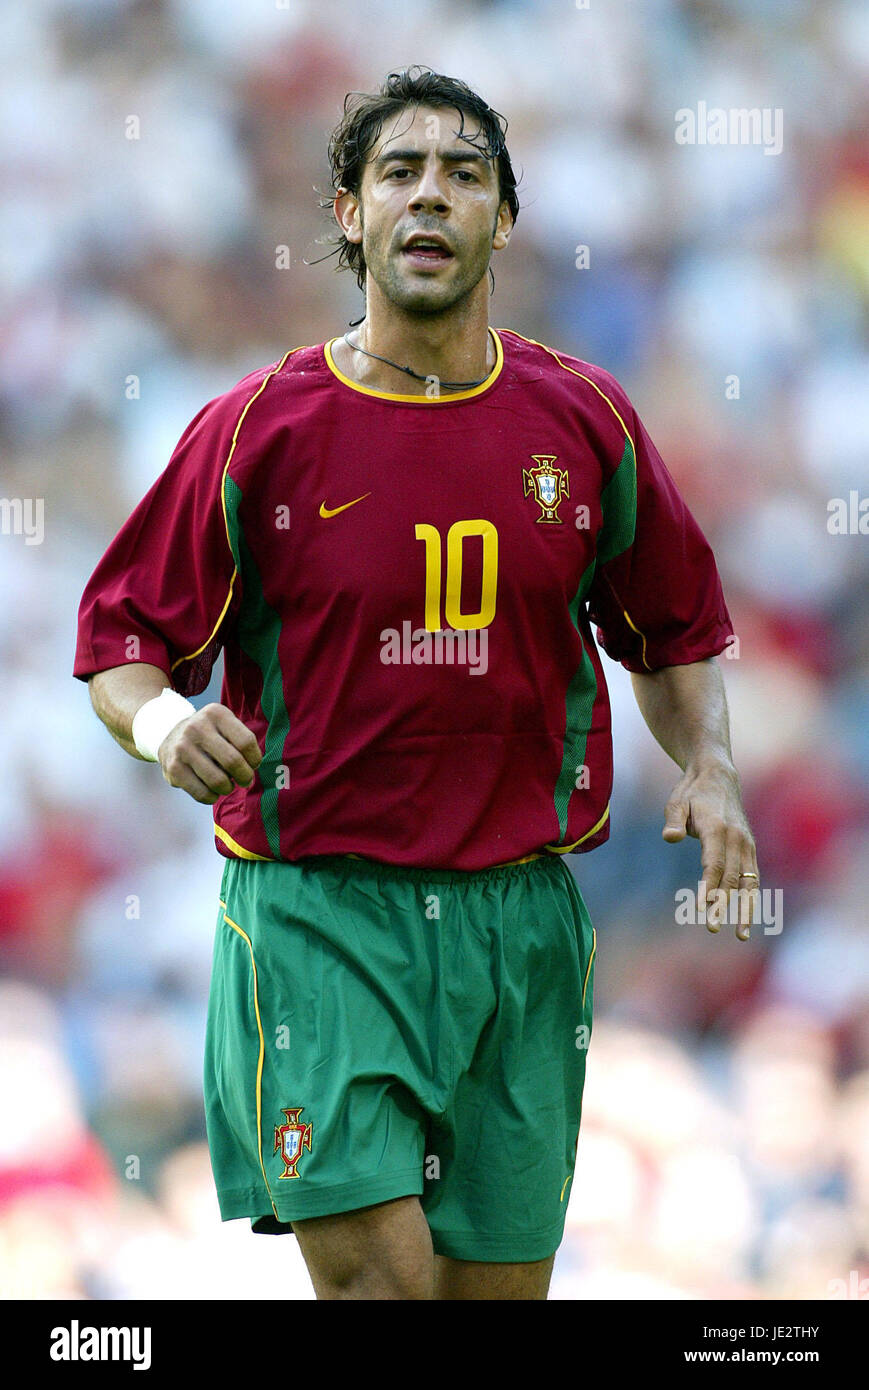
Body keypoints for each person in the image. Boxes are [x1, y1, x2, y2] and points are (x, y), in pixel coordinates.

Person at [73, 66, 760, 1300]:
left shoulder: (584, 421)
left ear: (505, 217)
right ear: (348, 213)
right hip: (317, 917)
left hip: (519, 924)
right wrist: (168, 723)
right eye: (399, 173)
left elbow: (673, 634)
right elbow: (122, 642)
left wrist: (709, 766)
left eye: (463, 175)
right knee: (379, 1292)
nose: (429, 198)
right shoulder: (255, 430)